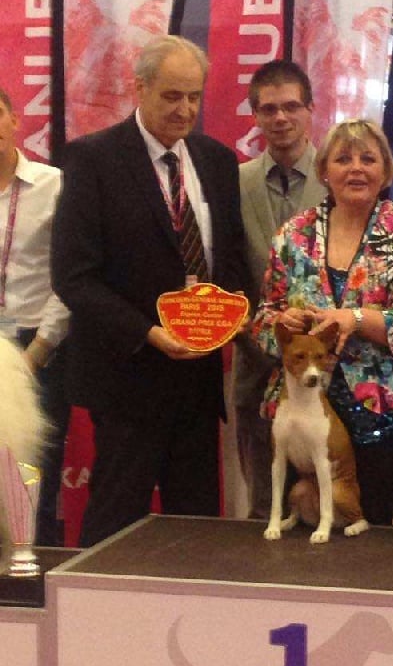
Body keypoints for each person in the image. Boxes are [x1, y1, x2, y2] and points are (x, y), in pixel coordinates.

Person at [51, 35, 248, 547]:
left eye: (194, 97)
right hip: (127, 378)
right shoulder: (92, 159)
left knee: (197, 529)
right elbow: (74, 276)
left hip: (199, 382)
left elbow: (229, 261)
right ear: (138, 88)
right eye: (171, 96)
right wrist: (149, 333)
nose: (185, 110)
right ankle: (95, 625)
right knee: (114, 527)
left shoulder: (217, 162)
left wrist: (235, 316)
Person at [252, 118, 393, 526]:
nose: (356, 168)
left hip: (388, 412)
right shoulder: (292, 234)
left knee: (369, 531)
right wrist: (284, 322)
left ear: (386, 171)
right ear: (324, 171)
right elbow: (263, 319)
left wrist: (358, 319)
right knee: (304, 522)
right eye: (343, 159)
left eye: (368, 158)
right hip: (303, 410)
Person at [233, 60, 326, 519]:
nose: (281, 118)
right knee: (263, 511)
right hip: (257, 369)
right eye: (268, 109)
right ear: (255, 115)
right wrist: (257, 339)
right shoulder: (233, 184)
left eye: (292, 106)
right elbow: (227, 277)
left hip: (326, 376)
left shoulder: (344, 179)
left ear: (311, 110)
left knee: (326, 501)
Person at [0, 86, 70, 546]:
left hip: (34, 351)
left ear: (14, 120)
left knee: (28, 480)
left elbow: (70, 277)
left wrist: (39, 351)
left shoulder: (55, 185)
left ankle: (31, 586)